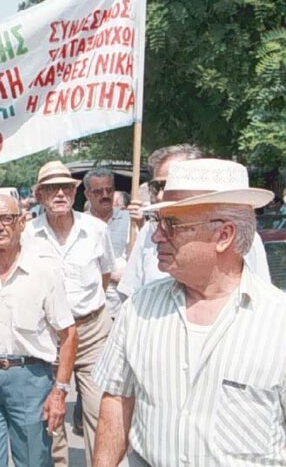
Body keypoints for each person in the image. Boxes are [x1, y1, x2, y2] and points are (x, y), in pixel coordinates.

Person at [93, 159, 286, 466]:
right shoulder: (139, 309)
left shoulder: (278, 323)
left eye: (172, 225)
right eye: (158, 224)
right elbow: (117, 399)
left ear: (223, 236)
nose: (156, 236)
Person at [0, 195, 78, 467]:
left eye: (6, 218)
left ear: (21, 222)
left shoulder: (43, 270)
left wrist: (59, 391)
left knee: (33, 462)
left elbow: (68, 334)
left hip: (31, 380)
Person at [24, 160, 114, 467]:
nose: (60, 193)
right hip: (49, 336)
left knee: (99, 410)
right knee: (51, 412)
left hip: (91, 330)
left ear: (76, 193)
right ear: (40, 196)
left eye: (66, 187)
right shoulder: (26, 235)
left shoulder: (97, 230)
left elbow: (104, 277)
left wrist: (83, 312)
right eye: (51, 188)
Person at [119, 144, 271, 297]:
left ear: (224, 236)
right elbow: (130, 291)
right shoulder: (149, 231)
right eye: (155, 186)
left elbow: (261, 298)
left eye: (173, 225)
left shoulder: (246, 239)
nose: (160, 195)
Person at [83, 168, 131, 317]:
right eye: (98, 192)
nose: (105, 196)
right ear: (87, 194)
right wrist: (110, 274)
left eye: (109, 190)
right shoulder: (80, 225)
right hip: (94, 311)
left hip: (124, 307)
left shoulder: (130, 220)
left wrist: (141, 223)